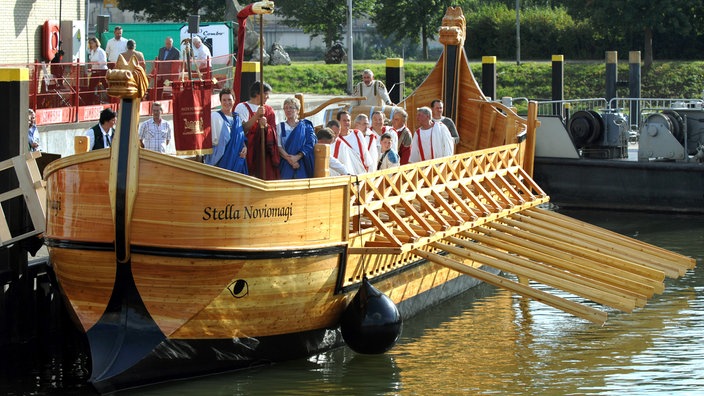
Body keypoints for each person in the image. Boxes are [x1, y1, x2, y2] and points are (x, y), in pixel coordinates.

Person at [235, 81, 279, 179]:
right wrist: (256, 117)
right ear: (257, 93)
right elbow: (241, 129)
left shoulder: (269, 110)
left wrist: (266, 126)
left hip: (263, 151)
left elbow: (274, 131)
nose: (268, 97)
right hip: (248, 149)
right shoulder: (241, 107)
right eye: (266, 94)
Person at [204, 88, 248, 174]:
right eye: (224, 100)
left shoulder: (237, 118)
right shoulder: (215, 117)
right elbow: (211, 140)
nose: (227, 103)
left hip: (238, 160)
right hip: (221, 162)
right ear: (220, 101)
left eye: (229, 100)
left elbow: (240, 137)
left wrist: (244, 147)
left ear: (234, 101)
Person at [276, 97, 317, 179]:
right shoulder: (279, 126)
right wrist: (291, 160)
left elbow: (311, 143)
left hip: (302, 163)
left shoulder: (306, 126)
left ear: (297, 110)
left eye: (291, 107)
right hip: (285, 164)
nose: (288, 110)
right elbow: (278, 146)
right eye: (286, 108)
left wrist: (297, 157)